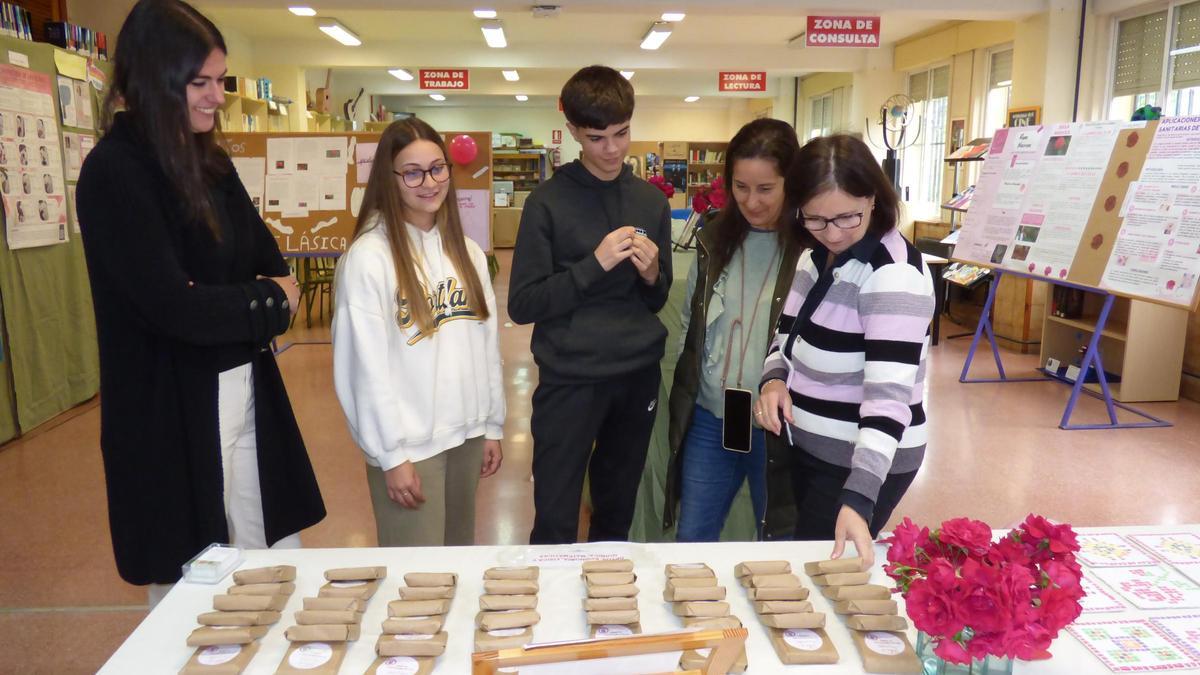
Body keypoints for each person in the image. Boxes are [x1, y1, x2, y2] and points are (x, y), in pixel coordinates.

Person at [76, 0, 325, 601]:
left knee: (269, 567)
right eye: (201, 82)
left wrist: (236, 300)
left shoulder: (209, 163)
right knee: (195, 589)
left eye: (220, 80)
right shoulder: (115, 174)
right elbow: (174, 309)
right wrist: (255, 301)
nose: (217, 97)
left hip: (246, 392)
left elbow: (272, 269)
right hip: (172, 411)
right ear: (156, 80)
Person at [508, 65, 672, 544]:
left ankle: (610, 616)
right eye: (598, 137)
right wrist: (592, 265)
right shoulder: (547, 201)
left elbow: (657, 297)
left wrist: (650, 274)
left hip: (635, 372)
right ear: (575, 131)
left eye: (622, 133)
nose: (614, 149)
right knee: (556, 519)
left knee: (615, 513)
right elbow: (523, 303)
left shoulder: (650, 201)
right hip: (570, 378)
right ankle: (553, 617)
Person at [757, 135, 935, 569]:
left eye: (846, 217)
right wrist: (774, 379)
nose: (832, 233)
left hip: (863, 461)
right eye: (815, 219)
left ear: (873, 198)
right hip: (812, 448)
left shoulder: (892, 276)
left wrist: (859, 497)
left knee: (821, 576)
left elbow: (888, 403)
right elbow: (784, 338)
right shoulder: (814, 256)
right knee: (804, 565)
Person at [332, 117, 504, 547]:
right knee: (417, 582)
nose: (429, 182)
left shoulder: (465, 253)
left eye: (438, 167)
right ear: (389, 180)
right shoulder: (369, 258)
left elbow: (486, 346)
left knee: (460, 564)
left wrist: (492, 425)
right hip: (410, 448)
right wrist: (390, 455)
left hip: (466, 435)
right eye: (412, 172)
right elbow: (363, 369)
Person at [664, 119, 803, 542]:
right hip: (711, 416)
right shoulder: (713, 240)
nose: (752, 202)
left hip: (779, 427)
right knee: (692, 538)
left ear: (790, 183)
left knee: (776, 543)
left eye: (766, 189)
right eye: (741, 187)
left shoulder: (809, 250)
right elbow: (694, 323)